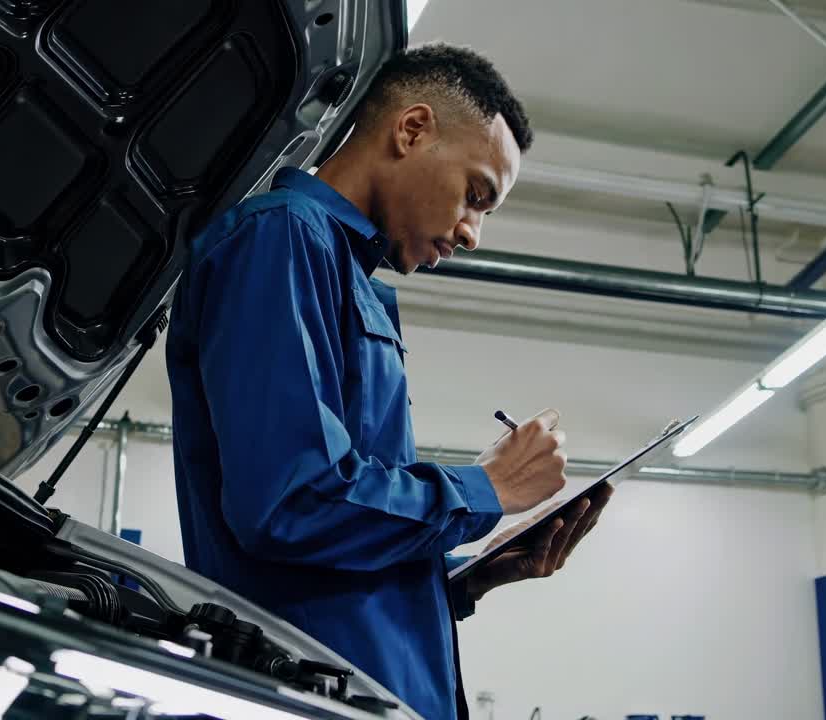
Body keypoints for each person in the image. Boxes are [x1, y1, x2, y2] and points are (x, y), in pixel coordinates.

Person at [166, 43, 612, 720]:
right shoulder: (281, 238)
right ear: (411, 130)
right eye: (476, 195)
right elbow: (291, 504)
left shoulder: (346, 277)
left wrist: (466, 577)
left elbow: (335, 552)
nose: (473, 234)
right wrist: (484, 488)